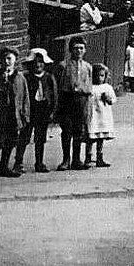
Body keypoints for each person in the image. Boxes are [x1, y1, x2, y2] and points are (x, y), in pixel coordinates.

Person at [0, 46, 30, 180]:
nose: (7, 61)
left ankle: (4, 165)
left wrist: (25, 115)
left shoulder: (20, 77)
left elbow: (25, 96)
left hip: (14, 114)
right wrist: (3, 83)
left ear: (15, 60)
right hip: (0, 114)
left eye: (9, 58)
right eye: (3, 59)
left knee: (10, 140)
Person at [16, 48, 58, 174]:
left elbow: (54, 95)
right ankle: (18, 162)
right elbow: (22, 94)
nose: (38, 64)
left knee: (40, 138)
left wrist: (52, 111)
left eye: (40, 62)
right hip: (30, 110)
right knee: (24, 136)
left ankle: (39, 162)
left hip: (43, 110)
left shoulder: (49, 77)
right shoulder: (26, 77)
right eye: (35, 62)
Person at [56, 35, 93, 170]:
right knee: (67, 130)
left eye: (81, 48)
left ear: (85, 50)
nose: (78, 51)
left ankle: (77, 159)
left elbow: (89, 88)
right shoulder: (63, 65)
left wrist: (88, 107)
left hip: (81, 100)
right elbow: (58, 86)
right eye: (76, 48)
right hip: (67, 99)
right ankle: (66, 159)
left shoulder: (88, 67)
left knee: (79, 130)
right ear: (71, 50)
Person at [84, 64, 117, 168]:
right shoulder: (90, 87)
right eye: (96, 75)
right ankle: (88, 157)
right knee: (90, 137)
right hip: (92, 115)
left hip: (103, 116)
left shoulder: (107, 87)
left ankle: (100, 157)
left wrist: (107, 98)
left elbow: (113, 100)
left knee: (100, 137)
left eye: (102, 76)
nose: (99, 78)